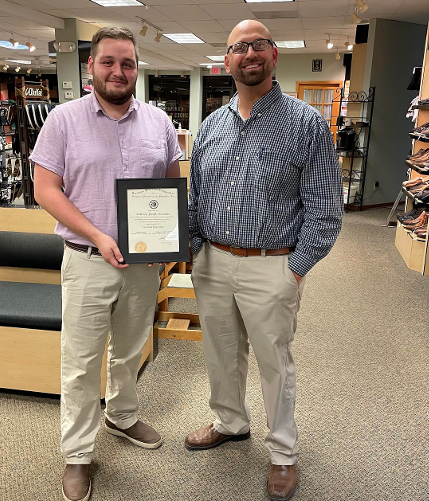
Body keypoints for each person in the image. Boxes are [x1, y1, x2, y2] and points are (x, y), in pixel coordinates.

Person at [185, 20, 343, 501]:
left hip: (272, 263)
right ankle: (230, 422)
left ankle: (283, 453)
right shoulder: (210, 124)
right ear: (226, 60)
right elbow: (195, 197)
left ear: (273, 55)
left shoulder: (306, 123)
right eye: (238, 47)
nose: (248, 53)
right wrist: (191, 249)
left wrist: (294, 269)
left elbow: (325, 208)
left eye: (258, 45)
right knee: (221, 352)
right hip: (212, 260)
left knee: (275, 362)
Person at [31, 26, 181, 501]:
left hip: (141, 265)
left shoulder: (158, 121)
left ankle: (122, 415)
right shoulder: (63, 120)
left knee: (130, 348)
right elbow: (44, 190)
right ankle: (77, 455)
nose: (119, 71)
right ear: (91, 67)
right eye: (109, 62)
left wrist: (168, 240)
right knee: (80, 362)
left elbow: (169, 185)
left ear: (138, 69)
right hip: (87, 260)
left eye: (128, 63)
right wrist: (98, 233)